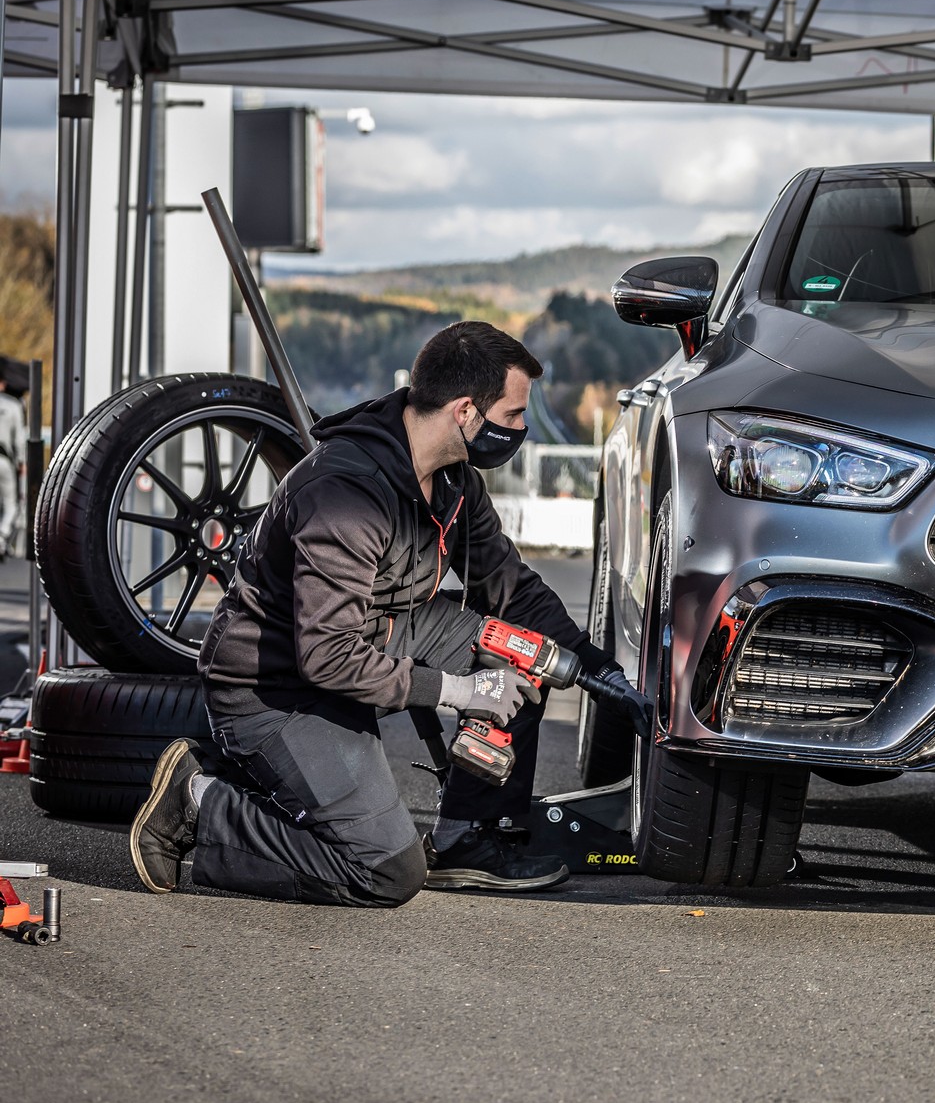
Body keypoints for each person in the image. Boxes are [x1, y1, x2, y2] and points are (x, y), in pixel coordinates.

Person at [127, 322, 639, 906]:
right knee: (387, 871)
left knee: (523, 652)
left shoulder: (453, 482)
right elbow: (325, 656)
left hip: (378, 636)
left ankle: (465, 841)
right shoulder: (345, 495)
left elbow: (511, 588)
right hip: (277, 688)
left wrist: (597, 670)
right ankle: (202, 804)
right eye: (515, 413)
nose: (520, 429)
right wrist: (458, 691)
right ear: (466, 410)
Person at [0, 361, 25, 563]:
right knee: (11, 504)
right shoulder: (13, 405)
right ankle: (1, 537)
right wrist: (22, 462)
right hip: (3, 460)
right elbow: (19, 439)